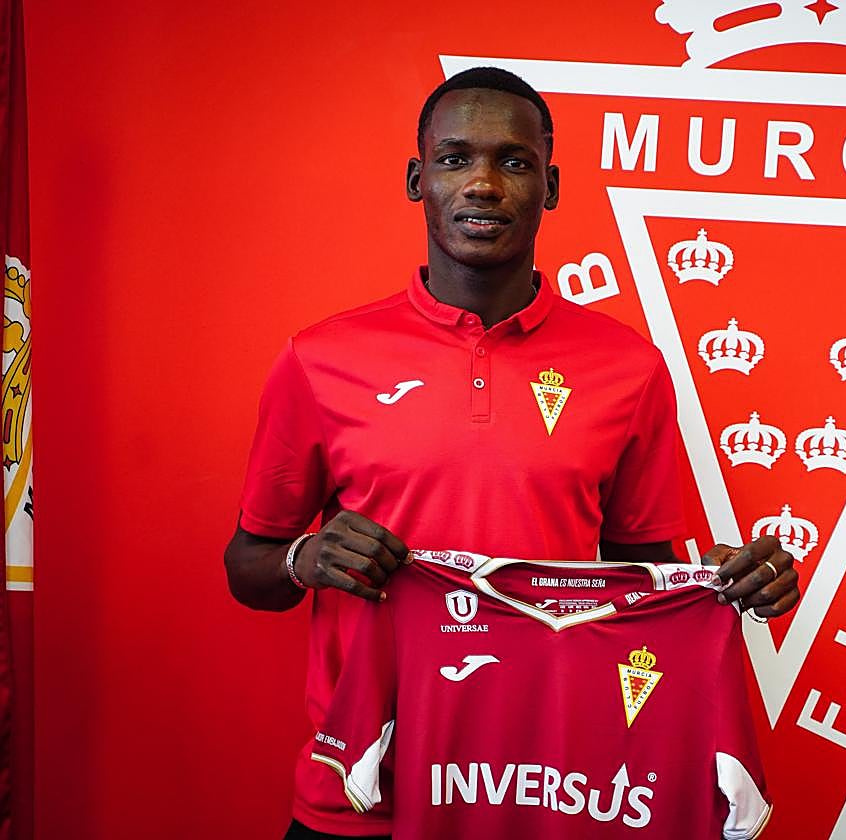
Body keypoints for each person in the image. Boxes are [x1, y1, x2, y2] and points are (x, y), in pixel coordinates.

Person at [224, 66, 800, 840]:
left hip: (545, 786)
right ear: (416, 178)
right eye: (456, 158)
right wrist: (305, 557)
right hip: (362, 790)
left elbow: (639, 579)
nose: (484, 185)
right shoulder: (320, 358)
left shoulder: (627, 366)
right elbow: (247, 566)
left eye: (514, 162)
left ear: (551, 186)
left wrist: (721, 587)